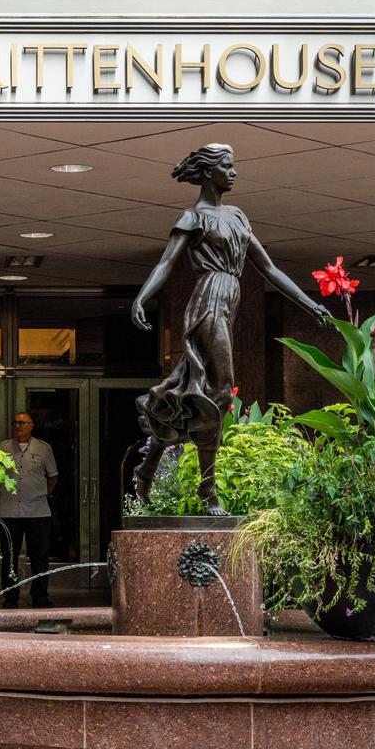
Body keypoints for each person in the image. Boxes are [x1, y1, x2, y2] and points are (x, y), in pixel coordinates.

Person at [129, 143, 332, 514]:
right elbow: (166, 264)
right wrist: (142, 298)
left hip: (229, 302)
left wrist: (310, 304)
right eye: (227, 166)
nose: (234, 173)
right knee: (221, 391)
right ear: (210, 172)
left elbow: (269, 269)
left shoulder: (238, 216)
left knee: (186, 388)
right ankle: (208, 490)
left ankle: (148, 466)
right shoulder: (192, 218)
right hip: (208, 301)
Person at [0, 411, 58, 608]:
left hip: (37, 511)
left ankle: (40, 597)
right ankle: (10, 598)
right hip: (9, 511)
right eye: (15, 423)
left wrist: (38, 493)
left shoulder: (43, 448)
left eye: (23, 423)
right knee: (9, 557)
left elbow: (52, 477)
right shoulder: (3, 448)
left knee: (39, 557)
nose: (18, 426)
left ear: (31, 425)